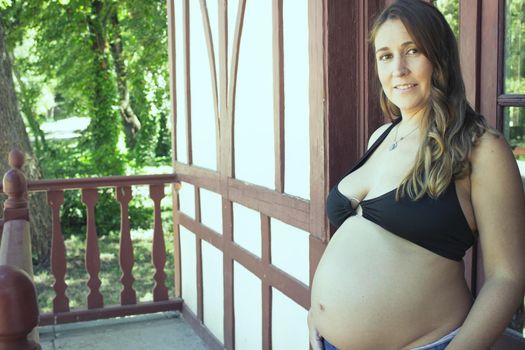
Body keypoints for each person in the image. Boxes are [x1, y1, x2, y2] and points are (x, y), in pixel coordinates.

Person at [307, 0, 525, 349]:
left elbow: (508, 277)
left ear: (439, 58)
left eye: (412, 51)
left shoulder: (482, 148)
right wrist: (316, 316)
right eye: (386, 55)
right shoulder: (380, 137)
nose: (399, 69)